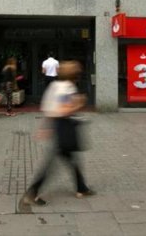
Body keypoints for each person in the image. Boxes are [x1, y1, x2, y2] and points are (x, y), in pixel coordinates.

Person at [22, 60, 94, 206]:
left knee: (70, 158)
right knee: (54, 162)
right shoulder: (67, 88)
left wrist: (46, 126)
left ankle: (82, 188)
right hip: (65, 125)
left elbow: (49, 107)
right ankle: (32, 191)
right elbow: (64, 109)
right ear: (75, 75)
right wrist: (80, 102)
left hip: (58, 124)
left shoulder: (54, 86)